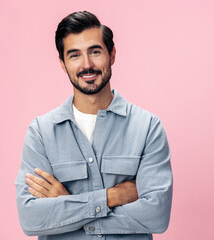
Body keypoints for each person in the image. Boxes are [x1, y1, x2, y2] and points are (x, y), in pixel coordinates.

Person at [15, 11, 173, 240]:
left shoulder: (147, 127)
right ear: (63, 63)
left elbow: (156, 215)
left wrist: (65, 203)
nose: (87, 65)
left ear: (112, 55)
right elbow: (31, 219)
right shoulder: (41, 133)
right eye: (75, 55)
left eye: (95, 52)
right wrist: (111, 197)